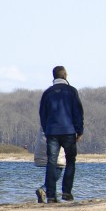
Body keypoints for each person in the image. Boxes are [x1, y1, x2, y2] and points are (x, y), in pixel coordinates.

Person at [37, 66, 84, 203]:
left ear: (54, 76)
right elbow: (78, 112)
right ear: (65, 75)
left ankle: (51, 195)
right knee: (70, 161)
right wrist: (79, 130)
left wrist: (47, 129)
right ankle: (66, 192)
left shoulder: (47, 93)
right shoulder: (72, 91)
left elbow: (42, 114)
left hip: (52, 132)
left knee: (51, 162)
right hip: (69, 131)